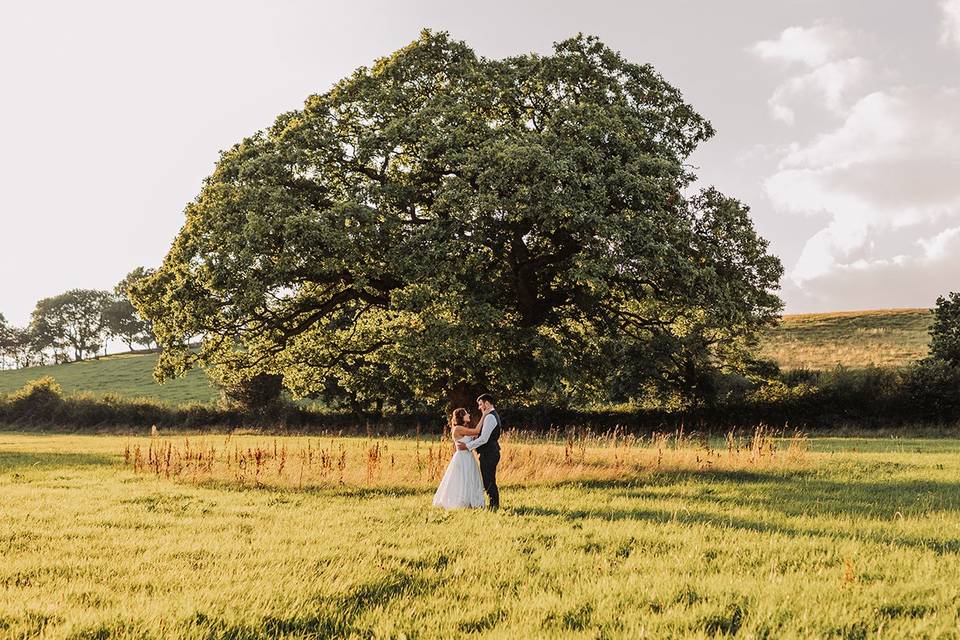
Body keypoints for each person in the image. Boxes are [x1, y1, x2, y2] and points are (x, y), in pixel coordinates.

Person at [432, 408, 485, 509]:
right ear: (461, 417)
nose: (468, 415)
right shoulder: (458, 429)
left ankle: (470, 501)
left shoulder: (463, 428)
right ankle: (462, 502)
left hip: (468, 457)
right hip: (462, 458)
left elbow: (475, 435)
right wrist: (484, 415)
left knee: (469, 478)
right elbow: (477, 431)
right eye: (466, 414)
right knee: (462, 479)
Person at [456, 394, 501, 509]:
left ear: (486, 404)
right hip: (489, 452)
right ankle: (493, 504)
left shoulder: (490, 417)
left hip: (490, 453)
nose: (479, 407)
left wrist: (468, 446)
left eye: (480, 404)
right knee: (488, 479)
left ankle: (494, 505)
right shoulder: (490, 416)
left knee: (489, 480)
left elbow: (484, 438)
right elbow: (480, 434)